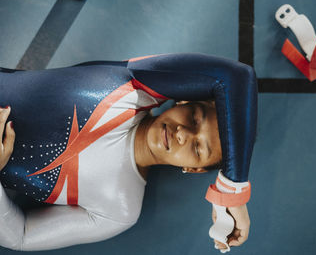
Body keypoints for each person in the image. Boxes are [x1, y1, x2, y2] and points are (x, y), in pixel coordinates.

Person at [0, 53, 257, 251]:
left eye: (198, 148)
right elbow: (234, 77)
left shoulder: (120, 209)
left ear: (193, 168)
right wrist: (232, 190)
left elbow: (21, 234)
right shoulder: (133, 83)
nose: (182, 133)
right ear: (184, 100)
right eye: (194, 117)